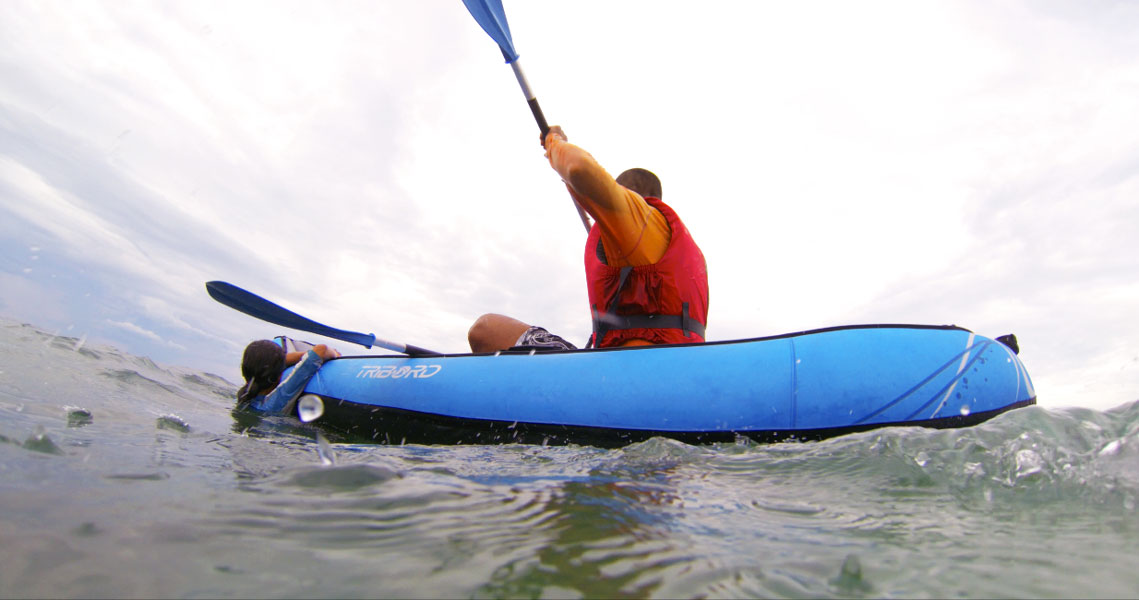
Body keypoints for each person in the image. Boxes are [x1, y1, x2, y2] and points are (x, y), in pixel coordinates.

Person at [468, 126, 709, 352]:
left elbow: (580, 168)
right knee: (487, 331)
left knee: (485, 328)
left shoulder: (640, 218)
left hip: (636, 366)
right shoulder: (676, 246)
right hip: (629, 358)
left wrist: (555, 142)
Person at [235, 336, 341, 415]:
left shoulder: (244, 396)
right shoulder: (279, 397)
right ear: (277, 376)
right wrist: (335, 354)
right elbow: (321, 350)